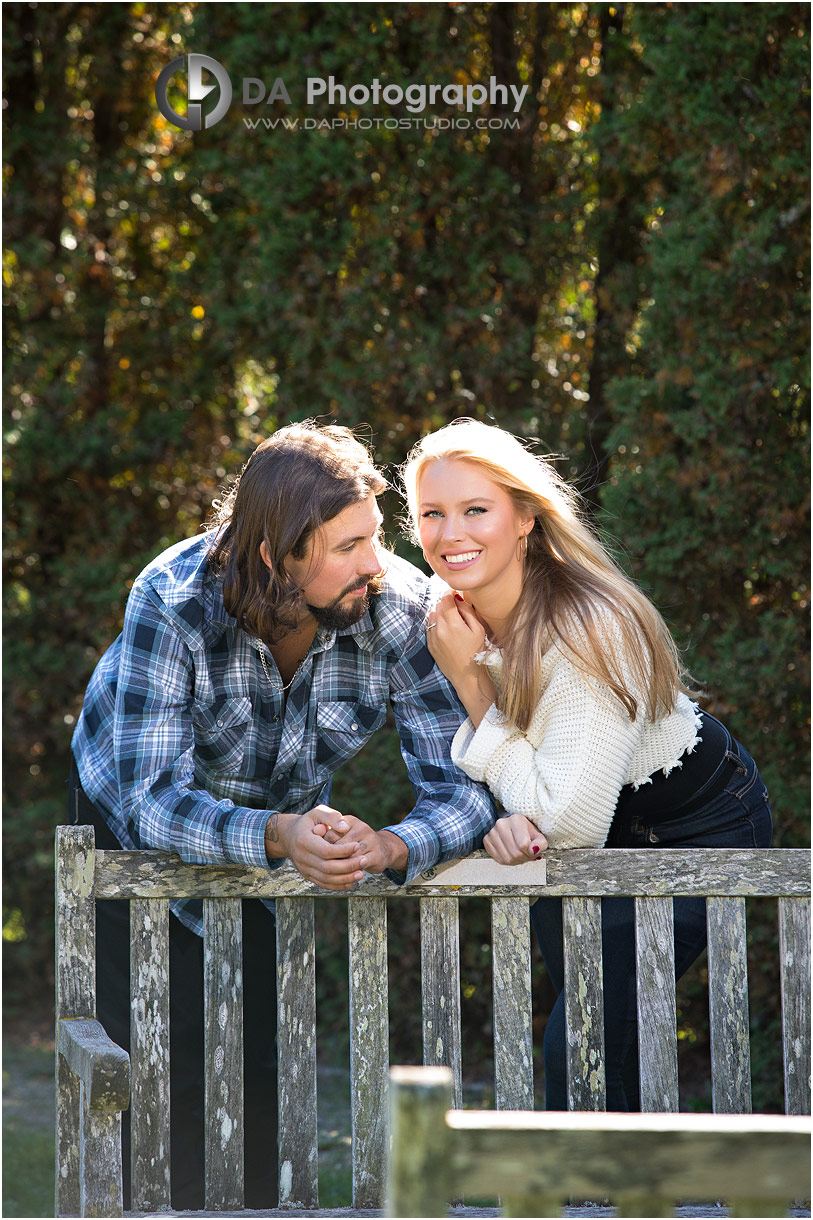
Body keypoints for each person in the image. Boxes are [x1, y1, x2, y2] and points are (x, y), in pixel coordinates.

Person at [69, 421, 497, 1206]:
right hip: (129, 826)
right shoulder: (173, 599)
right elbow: (150, 796)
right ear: (275, 555)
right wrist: (278, 834)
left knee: (258, 1064)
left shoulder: (397, 607)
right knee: (152, 1070)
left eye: (374, 536)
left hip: (280, 836)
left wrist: (391, 846)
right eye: (345, 547)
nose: (375, 563)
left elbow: (469, 785)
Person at [401, 417, 772, 1112]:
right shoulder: (451, 620)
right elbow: (486, 776)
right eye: (431, 514)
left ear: (524, 519)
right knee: (592, 1035)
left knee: (583, 1035)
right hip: (586, 830)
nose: (450, 534)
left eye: (475, 510)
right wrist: (496, 819)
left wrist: (476, 693)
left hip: (693, 826)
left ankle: (600, 1202)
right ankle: (597, 1198)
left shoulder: (587, 627)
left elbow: (566, 819)